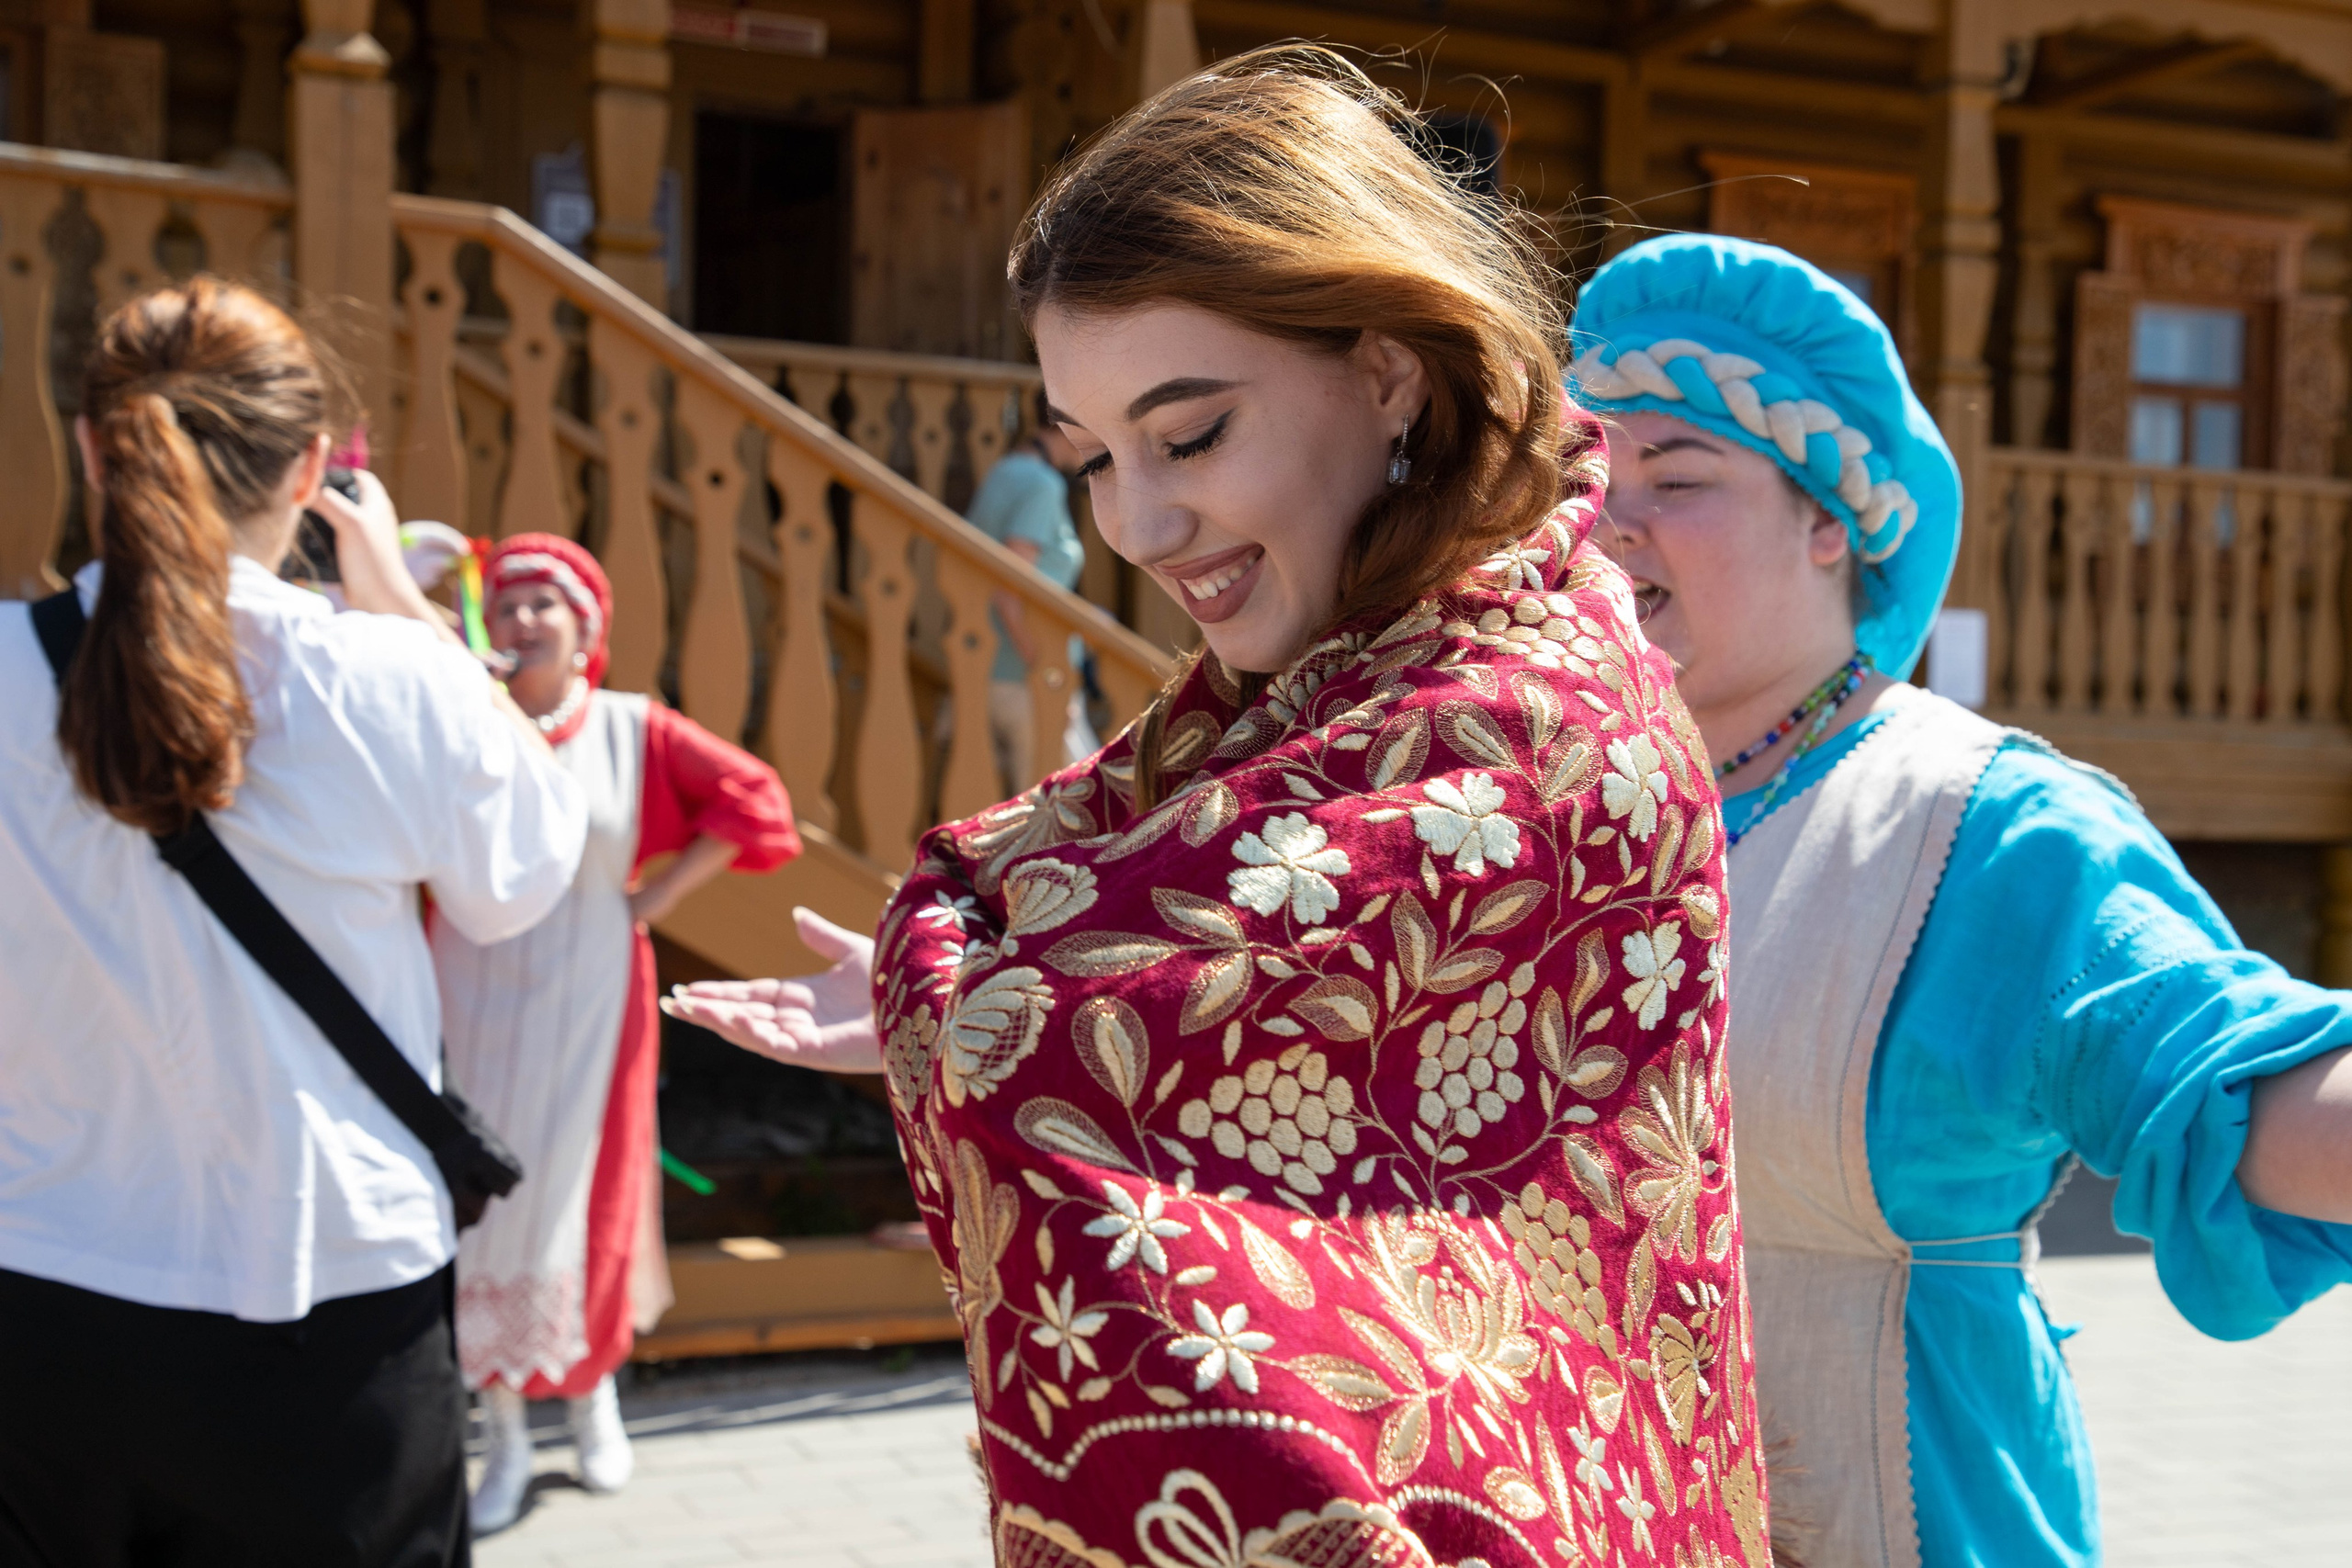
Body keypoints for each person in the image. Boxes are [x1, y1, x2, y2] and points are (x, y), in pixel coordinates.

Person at [668, 50, 1770, 1568]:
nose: (1137, 521)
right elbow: (1142, 957)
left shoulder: (1530, 722)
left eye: (1188, 435)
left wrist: (970, 1002)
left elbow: (1103, 1018)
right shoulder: (1362, 673)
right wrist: (962, 993)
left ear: (1387, 368)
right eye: (1096, 453)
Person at [1572, 232, 2352, 1568]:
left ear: (1833, 522)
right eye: (1586, 477)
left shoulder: (1980, 823)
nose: (1607, 519)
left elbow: (2227, 1074)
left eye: (1678, 474)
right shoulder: (1559, 808)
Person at [0, 278, 587, 1565]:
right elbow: (524, 880)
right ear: (316, 466)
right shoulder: (387, 679)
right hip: (330, 1307)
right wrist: (409, 610)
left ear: (95, 446)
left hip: (39, 1297)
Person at [439, 533, 801, 1533]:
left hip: (591, 985)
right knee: (480, 1199)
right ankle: (505, 1427)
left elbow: (755, 801)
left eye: (542, 604)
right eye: (505, 605)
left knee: (588, 1193)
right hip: (465, 989)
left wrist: (657, 898)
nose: (521, 622)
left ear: (585, 624)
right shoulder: (462, 719)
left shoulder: (629, 727)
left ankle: (592, 1394)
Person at [965, 393, 1097, 791]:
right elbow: (1009, 591)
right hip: (1025, 679)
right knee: (1065, 811)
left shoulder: (1005, 471)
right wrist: (1043, 669)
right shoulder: (1040, 484)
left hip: (990, 670)